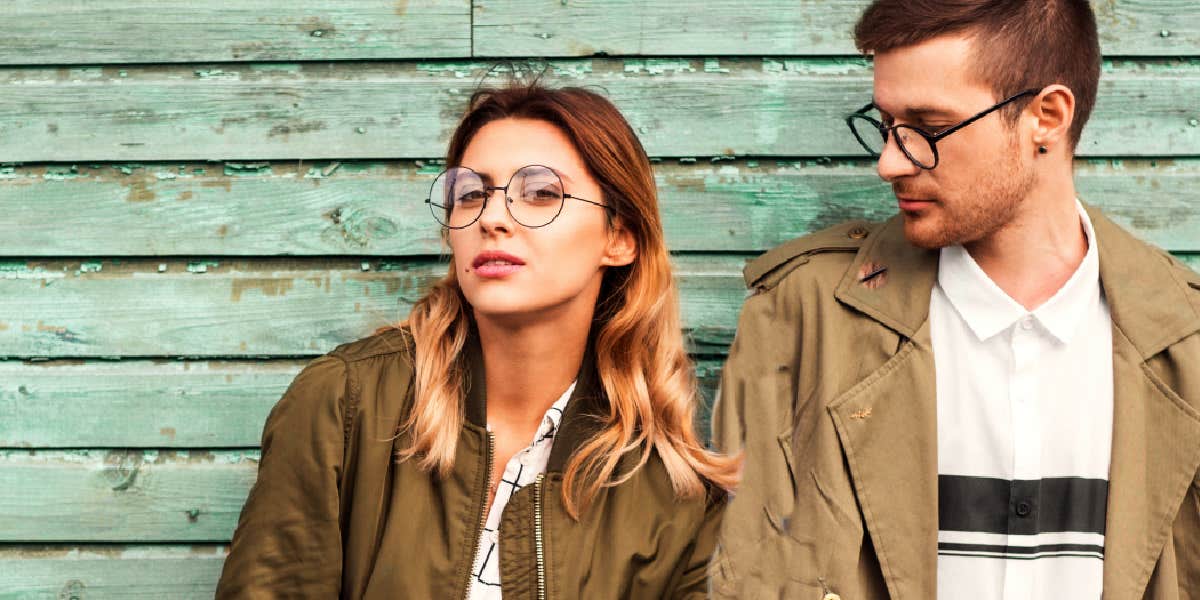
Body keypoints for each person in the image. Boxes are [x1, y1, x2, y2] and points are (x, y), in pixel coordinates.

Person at [709, 1, 1200, 598]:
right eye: (887, 124)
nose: (890, 161)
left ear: (1047, 116)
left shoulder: (1188, 342)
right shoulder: (800, 318)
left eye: (928, 127)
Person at [215, 81, 737, 599]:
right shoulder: (344, 405)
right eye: (470, 194)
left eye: (541, 193)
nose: (491, 217)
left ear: (619, 237)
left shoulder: (675, 498)